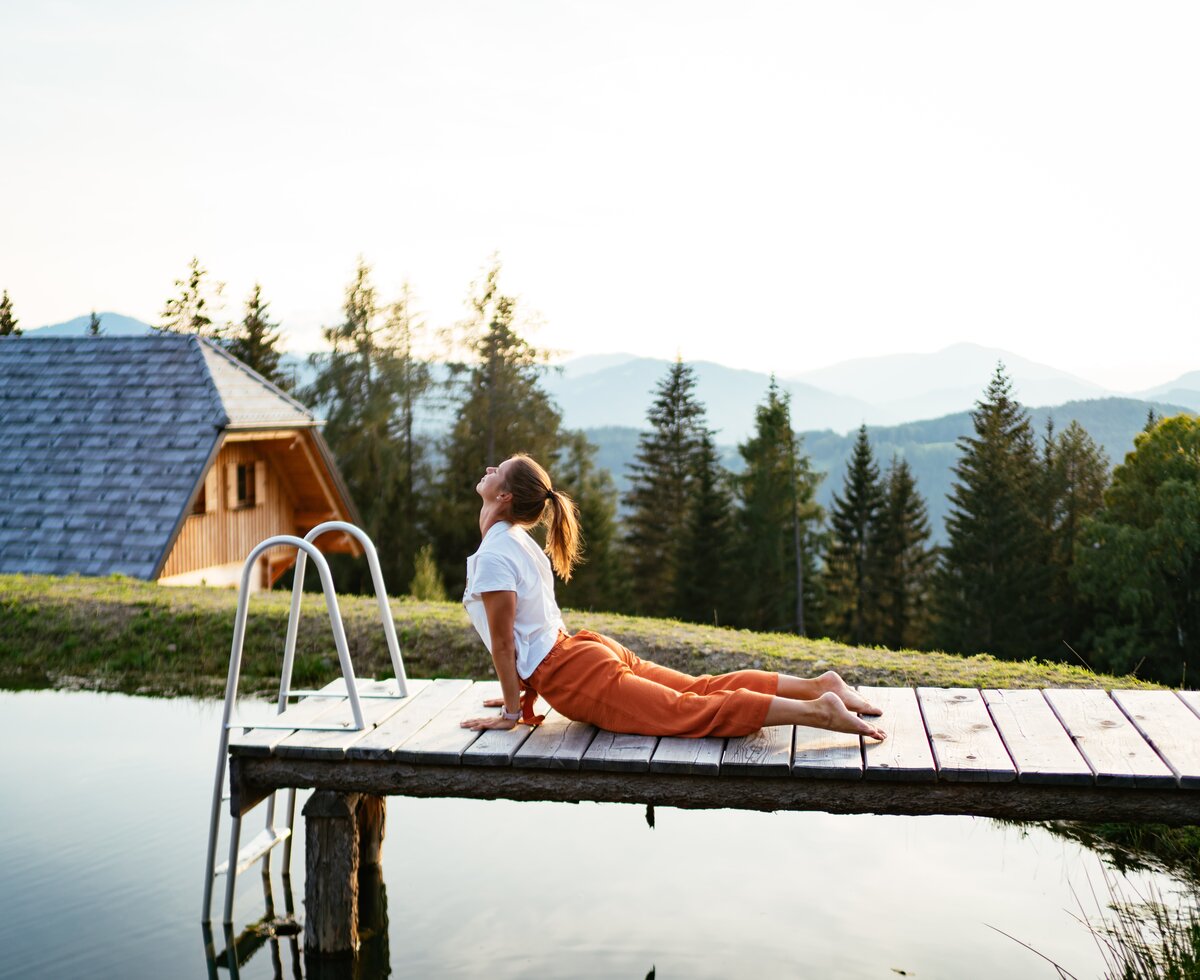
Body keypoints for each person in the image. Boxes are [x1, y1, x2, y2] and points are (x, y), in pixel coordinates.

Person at [459, 454, 886, 741]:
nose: (491, 467)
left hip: (574, 672)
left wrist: (511, 713)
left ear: (505, 497)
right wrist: (520, 690)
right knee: (701, 689)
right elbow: (534, 626)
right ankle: (818, 685)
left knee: (691, 711)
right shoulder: (515, 541)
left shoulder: (498, 552)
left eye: (500, 470)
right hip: (580, 652)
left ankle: (820, 709)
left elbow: (504, 643)